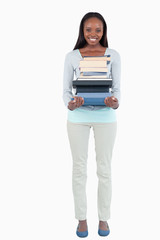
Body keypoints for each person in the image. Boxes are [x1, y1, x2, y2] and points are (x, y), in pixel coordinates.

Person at [63, 12, 121, 238]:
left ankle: (104, 218)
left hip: (106, 117)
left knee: (104, 169)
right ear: (82, 31)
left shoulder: (114, 55)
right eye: (89, 30)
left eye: (98, 30)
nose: (93, 34)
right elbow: (66, 90)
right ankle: (82, 219)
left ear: (104, 31)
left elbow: (117, 89)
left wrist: (114, 102)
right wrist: (71, 104)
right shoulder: (72, 57)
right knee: (79, 169)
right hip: (77, 118)